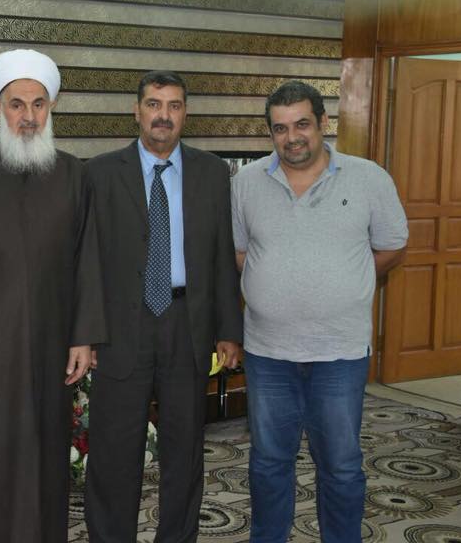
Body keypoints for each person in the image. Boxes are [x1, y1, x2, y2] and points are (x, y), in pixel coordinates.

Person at [0, 48, 105, 543]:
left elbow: (88, 259)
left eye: (38, 104)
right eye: (16, 104)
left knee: (44, 453)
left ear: (51, 108)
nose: (28, 116)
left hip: (51, 346)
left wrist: (84, 337)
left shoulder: (75, 176)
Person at [231, 80, 408, 542]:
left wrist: (346, 279)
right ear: (270, 133)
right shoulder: (246, 183)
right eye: (280, 128)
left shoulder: (369, 178)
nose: (292, 137)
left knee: (341, 466)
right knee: (268, 463)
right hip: (268, 352)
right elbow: (241, 253)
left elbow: (391, 246)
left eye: (302, 125)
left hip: (340, 352)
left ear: (323, 123)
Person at [83, 70, 243, 543]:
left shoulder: (212, 173)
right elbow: (86, 261)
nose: (163, 116)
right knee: (114, 452)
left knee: (184, 450)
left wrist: (228, 329)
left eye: (174, 106)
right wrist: (86, 333)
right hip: (120, 329)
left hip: (187, 325)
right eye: (154, 104)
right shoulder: (99, 173)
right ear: (136, 111)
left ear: (185, 114)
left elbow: (221, 255)